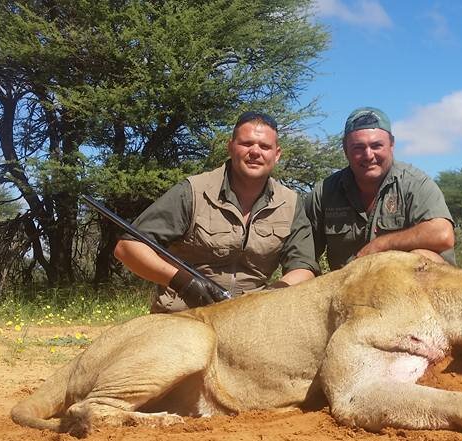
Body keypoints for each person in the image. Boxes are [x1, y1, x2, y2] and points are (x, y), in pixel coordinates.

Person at [114, 112, 316, 313]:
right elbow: (128, 248)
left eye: (264, 146)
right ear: (230, 147)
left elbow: (303, 268)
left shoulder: (291, 203)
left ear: (277, 154)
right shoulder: (192, 191)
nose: (255, 152)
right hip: (185, 315)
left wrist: (265, 300)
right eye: (246, 143)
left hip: (254, 318)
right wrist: (184, 282)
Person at [304, 106, 455, 270]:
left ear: (391, 145)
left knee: (421, 257)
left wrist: (380, 245)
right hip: (351, 290)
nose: (368, 155)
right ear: (345, 150)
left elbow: (442, 234)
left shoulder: (416, 184)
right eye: (358, 148)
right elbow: (303, 259)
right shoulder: (324, 193)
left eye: (376, 146)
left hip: (420, 292)